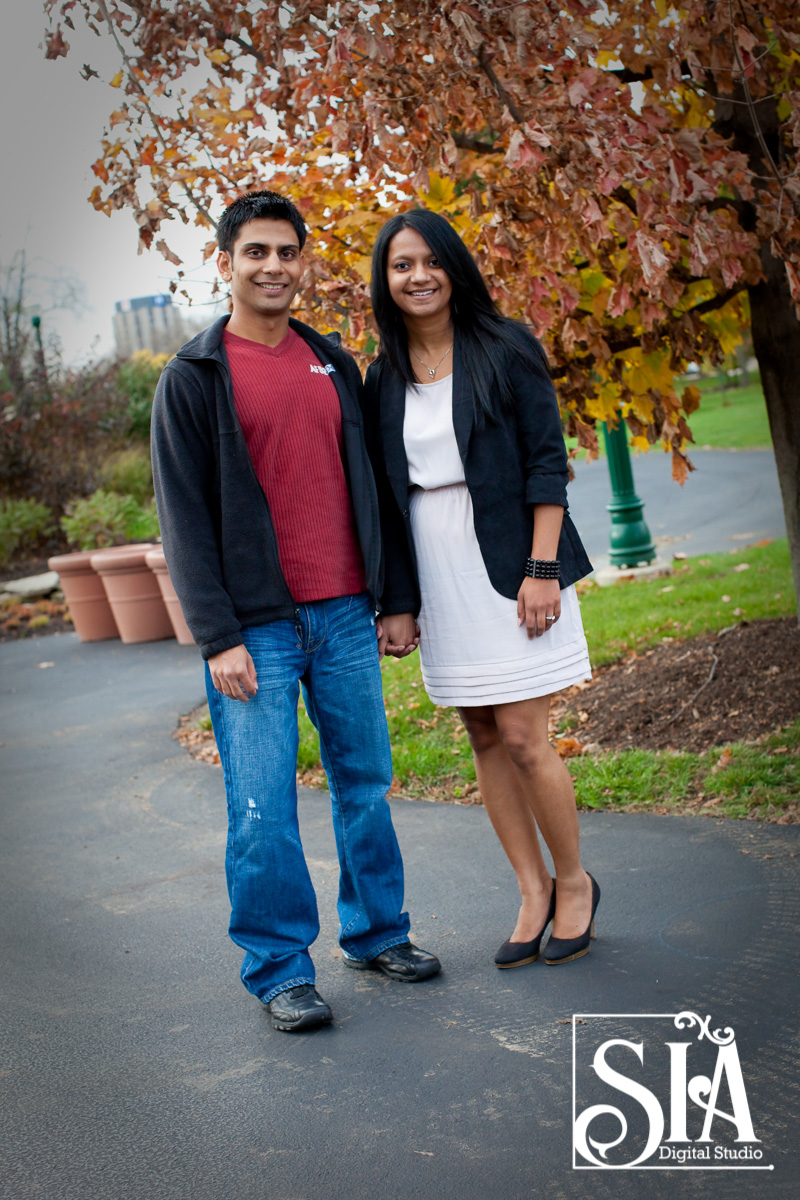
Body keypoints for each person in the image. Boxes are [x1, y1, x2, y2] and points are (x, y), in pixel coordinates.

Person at [150, 191, 440, 1033]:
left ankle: (378, 933)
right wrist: (219, 637)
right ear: (225, 264)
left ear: (303, 262)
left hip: (349, 612)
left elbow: (375, 489)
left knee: (365, 785)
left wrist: (394, 600)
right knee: (261, 804)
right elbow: (184, 519)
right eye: (255, 253)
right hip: (258, 630)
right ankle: (279, 968)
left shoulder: (332, 361)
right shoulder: (195, 377)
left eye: (287, 253)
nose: (273, 267)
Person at [363, 208, 600, 968]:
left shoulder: (506, 347)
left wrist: (542, 569)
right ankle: (529, 891)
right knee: (484, 735)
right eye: (402, 265)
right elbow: (385, 498)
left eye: (431, 260)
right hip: (439, 568)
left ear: (454, 267)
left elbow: (545, 461)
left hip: (512, 559)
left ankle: (574, 883)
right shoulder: (383, 375)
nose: (418, 275)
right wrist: (397, 600)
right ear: (386, 280)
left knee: (528, 736)